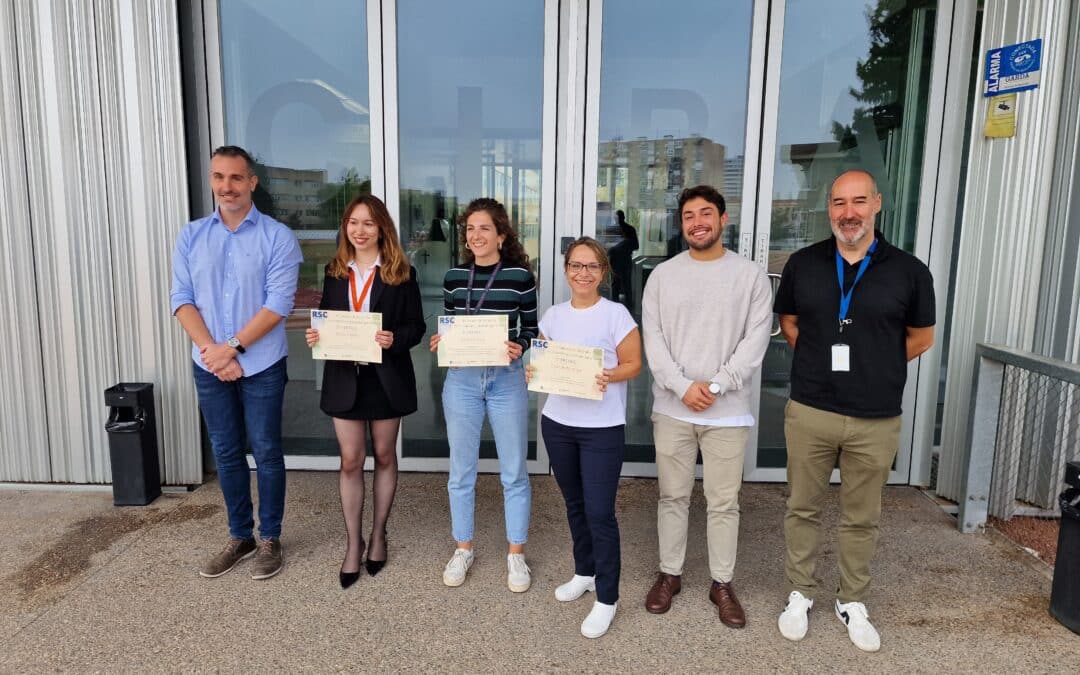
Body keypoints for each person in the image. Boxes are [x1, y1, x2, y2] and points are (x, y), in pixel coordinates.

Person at [773, 169, 935, 652]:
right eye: (840, 203)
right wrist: (824, 364)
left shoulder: (909, 270)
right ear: (829, 209)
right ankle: (800, 591)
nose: (849, 213)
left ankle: (851, 598)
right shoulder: (804, 264)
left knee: (862, 514)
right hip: (811, 409)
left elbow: (921, 337)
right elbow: (790, 321)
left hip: (876, 415)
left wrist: (873, 367)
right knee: (802, 506)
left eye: (859, 201)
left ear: (877, 204)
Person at [641, 185, 772, 627]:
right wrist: (681, 386)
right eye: (689, 216)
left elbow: (755, 340)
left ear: (722, 219)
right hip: (673, 408)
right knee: (672, 496)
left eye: (706, 214)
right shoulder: (662, 276)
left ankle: (722, 583)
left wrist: (715, 386)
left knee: (723, 501)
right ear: (681, 225)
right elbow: (652, 338)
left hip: (727, 412)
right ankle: (670, 574)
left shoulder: (750, 276)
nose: (698, 222)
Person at [170, 145, 303, 580]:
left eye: (235, 178)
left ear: (252, 182)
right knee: (226, 452)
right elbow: (181, 300)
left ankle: (270, 539)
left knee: (266, 452)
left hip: (261, 363)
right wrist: (213, 351)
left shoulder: (277, 237)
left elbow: (277, 305)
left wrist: (231, 348)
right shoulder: (191, 236)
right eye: (218, 177)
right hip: (209, 363)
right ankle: (239, 536)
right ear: (212, 180)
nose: (226, 186)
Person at [305, 195, 425, 588]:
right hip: (345, 378)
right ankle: (353, 542)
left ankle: (378, 534)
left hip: (386, 376)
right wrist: (316, 335)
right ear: (346, 227)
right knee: (351, 460)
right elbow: (327, 315)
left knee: (385, 455)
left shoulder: (401, 273)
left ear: (382, 228)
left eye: (368, 224)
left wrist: (395, 338)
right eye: (353, 223)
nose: (359, 230)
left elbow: (416, 327)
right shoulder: (335, 270)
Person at [527, 237, 641, 638]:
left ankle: (607, 598)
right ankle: (585, 571)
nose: (583, 273)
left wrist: (608, 374)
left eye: (592, 266)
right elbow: (544, 361)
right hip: (558, 422)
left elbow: (634, 364)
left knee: (600, 512)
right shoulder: (554, 315)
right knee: (574, 504)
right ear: (566, 270)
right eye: (576, 265)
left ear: (603, 273)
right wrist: (534, 371)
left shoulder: (616, 315)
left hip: (601, 429)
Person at [429, 198, 538, 592]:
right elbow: (451, 322)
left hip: (506, 380)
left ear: (501, 234)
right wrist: (442, 340)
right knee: (461, 472)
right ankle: (463, 548)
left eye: (484, 229)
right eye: (470, 229)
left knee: (514, 472)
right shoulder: (454, 276)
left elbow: (531, 329)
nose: (476, 236)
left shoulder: (519, 276)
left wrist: (520, 346)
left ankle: (516, 555)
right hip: (462, 380)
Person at [607, 210, 639, 307]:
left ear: (623, 217)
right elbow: (607, 247)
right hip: (615, 261)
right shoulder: (612, 230)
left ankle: (628, 307)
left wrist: (621, 246)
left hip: (625, 260)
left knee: (626, 285)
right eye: (616, 218)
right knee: (616, 285)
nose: (617, 219)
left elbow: (636, 245)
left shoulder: (630, 229)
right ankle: (615, 307)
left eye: (618, 217)